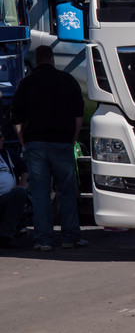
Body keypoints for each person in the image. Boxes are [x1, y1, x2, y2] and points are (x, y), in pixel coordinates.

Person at [11, 45, 87, 251]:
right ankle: (70, 236)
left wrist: (22, 139)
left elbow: (15, 115)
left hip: (36, 143)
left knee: (40, 193)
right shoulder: (67, 80)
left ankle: (43, 239)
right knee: (67, 191)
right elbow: (78, 114)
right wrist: (73, 137)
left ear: (37, 62)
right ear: (52, 59)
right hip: (62, 141)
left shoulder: (26, 83)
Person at [0, 133, 28, 248]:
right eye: (0, 137)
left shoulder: (6, 153)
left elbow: (25, 169)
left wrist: (23, 185)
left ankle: (6, 236)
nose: (3, 139)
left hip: (6, 198)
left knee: (20, 192)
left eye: (2, 136)